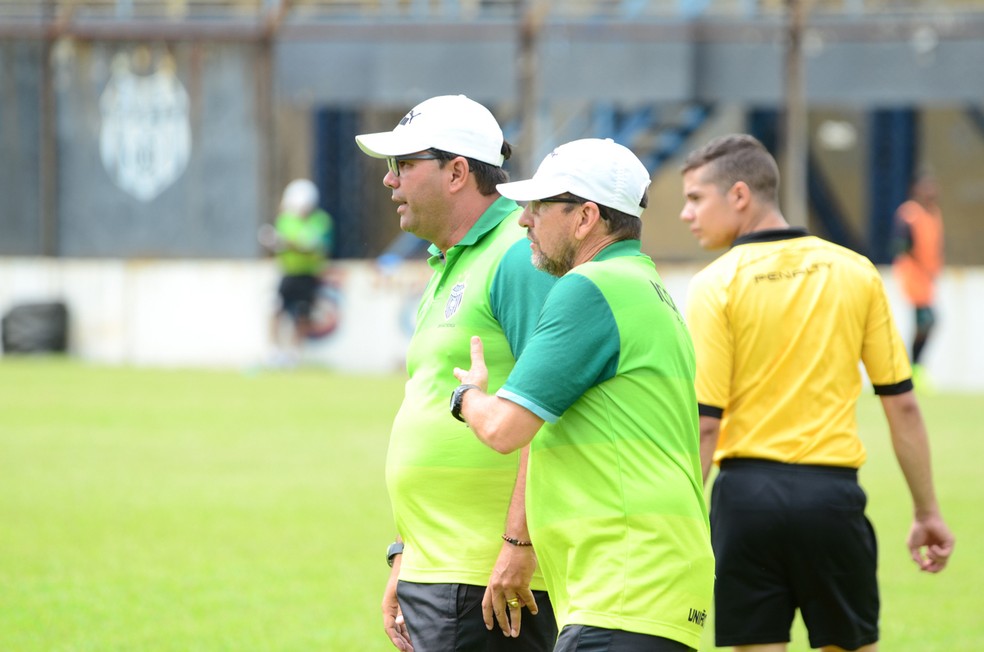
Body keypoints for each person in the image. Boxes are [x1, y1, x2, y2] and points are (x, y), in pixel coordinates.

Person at [678, 133, 955, 652]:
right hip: (830, 499)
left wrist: (679, 521)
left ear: (739, 195)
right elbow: (902, 403)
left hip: (745, 501)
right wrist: (927, 513)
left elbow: (706, 422)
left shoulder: (715, 284)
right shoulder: (855, 272)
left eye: (695, 198)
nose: (686, 214)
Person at [452, 138, 714, 652]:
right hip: (657, 582)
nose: (524, 220)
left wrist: (466, 397)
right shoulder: (646, 286)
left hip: (624, 583)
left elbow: (506, 429)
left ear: (585, 217)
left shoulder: (588, 288)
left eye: (539, 206)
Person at [354, 94, 558, 652]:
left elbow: (556, 407)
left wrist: (520, 541)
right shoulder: (451, 261)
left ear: (457, 172)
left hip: (486, 577)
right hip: (440, 569)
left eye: (403, 165)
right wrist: (404, 554)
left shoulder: (519, 255)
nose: (390, 181)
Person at [259, 178, 334, 367]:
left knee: (302, 313)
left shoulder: (321, 221)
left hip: (308, 275)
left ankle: (293, 354)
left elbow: (311, 246)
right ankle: (273, 352)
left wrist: (285, 242)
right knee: (274, 307)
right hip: (288, 272)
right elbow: (284, 245)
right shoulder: (286, 219)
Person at [892, 170, 944, 388]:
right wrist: (918, 263)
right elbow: (901, 244)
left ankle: (915, 369)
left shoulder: (933, 214)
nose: (931, 191)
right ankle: (913, 369)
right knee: (927, 320)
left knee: (925, 322)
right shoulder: (909, 213)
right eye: (926, 186)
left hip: (927, 276)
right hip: (914, 274)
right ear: (916, 189)